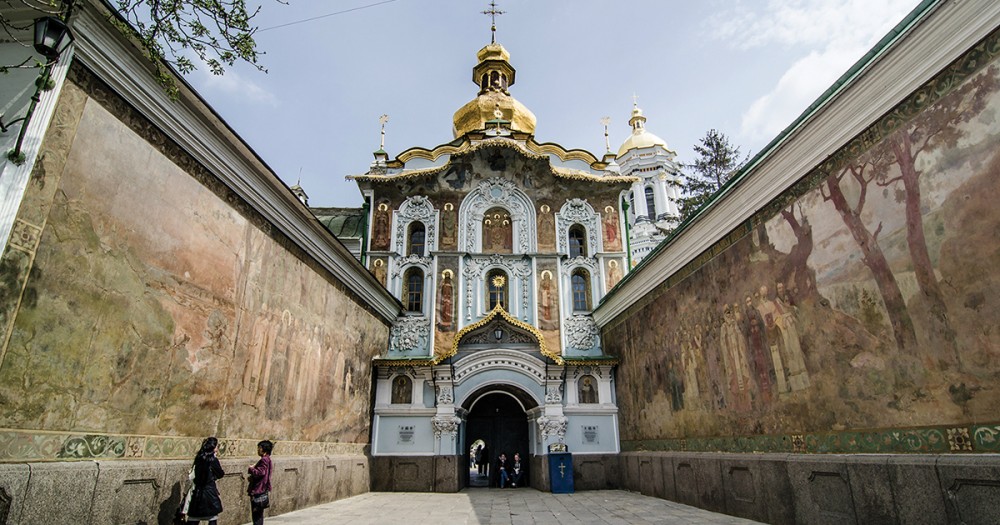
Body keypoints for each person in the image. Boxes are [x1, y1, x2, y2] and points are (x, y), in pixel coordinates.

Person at [186, 437, 225, 525]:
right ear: (213, 448)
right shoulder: (213, 460)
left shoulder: (199, 458)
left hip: (197, 492)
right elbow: (221, 474)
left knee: (194, 518)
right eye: (216, 447)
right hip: (209, 492)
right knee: (212, 518)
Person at [247, 440, 273, 525]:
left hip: (259, 489)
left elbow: (261, 473)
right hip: (262, 488)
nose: (258, 450)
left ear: (263, 449)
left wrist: (251, 469)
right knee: (259, 515)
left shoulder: (264, 460)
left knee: (257, 515)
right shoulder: (267, 459)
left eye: (259, 448)